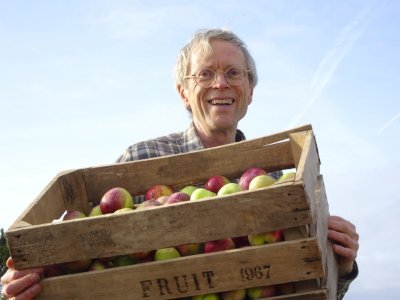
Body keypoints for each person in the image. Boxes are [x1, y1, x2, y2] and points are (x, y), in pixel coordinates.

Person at [1, 28, 359, 300]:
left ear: (250, 90)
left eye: (234, 73)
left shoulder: (278, 180)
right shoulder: (139, 162)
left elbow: (304, 284)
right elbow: (83, 260)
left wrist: (339, 265)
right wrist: (32, 281)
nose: (221, 82)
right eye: (205, 74)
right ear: (183, 92)